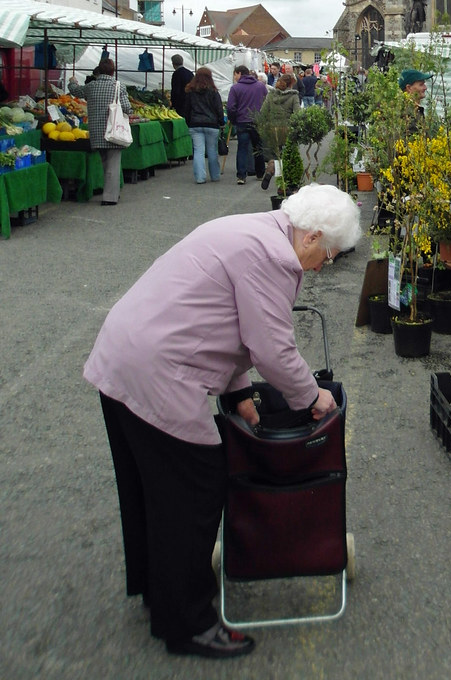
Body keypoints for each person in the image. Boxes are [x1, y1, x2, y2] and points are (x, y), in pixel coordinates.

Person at [82, 184, 362, 659]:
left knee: (150, 489)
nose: (324, 266)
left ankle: (160, 591)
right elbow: (271, 348)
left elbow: (230, 323)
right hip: (158, 371)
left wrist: (241, 396)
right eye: (329, 254)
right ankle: (187, 624)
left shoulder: (254, 232)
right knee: (195, 489)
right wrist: (313, 398)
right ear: (313, 237)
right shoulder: (274, 258)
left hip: (124, 356)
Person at [69, 59, 131, 206]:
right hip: (114, 130)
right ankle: (110, 197)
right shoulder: (119, 86)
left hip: (96, 132)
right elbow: (127, 108)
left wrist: (72, 81)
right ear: (113, 71)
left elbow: (75, 91)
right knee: (113, 165)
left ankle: (111, 191)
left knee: (105, 163)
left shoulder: (91, 86)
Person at [226, 64, 267, 185]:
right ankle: (260, 172)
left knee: (242, 148)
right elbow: (266, 102)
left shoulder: (235, 88)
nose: (234, 78)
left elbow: (231, 107)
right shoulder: (261, 86)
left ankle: (241, 175)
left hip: (242, 121)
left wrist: (233, 119)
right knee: (258, 147)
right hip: (257, 121)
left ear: (239, 73)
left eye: (235, 75)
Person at [183, 66, 225, 184]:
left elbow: (187, 109)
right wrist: (221, 122)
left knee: (198, 151)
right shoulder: (213, 92)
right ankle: (215, 175)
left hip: (195, 124)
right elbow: (218, 109)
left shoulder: (191, 92)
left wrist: (189, 122)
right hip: (211, 124)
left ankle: (200, 177)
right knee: (212, 151)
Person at [259, 72, 300, 190]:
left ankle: (270, 169)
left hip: (272, 129)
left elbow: (263, 112)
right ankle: (281, 185)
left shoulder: (271, 95)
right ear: (291, 84)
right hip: (287, 130)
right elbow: (297, 114)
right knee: (286, 157)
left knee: (274, 155)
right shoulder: (293, 96)